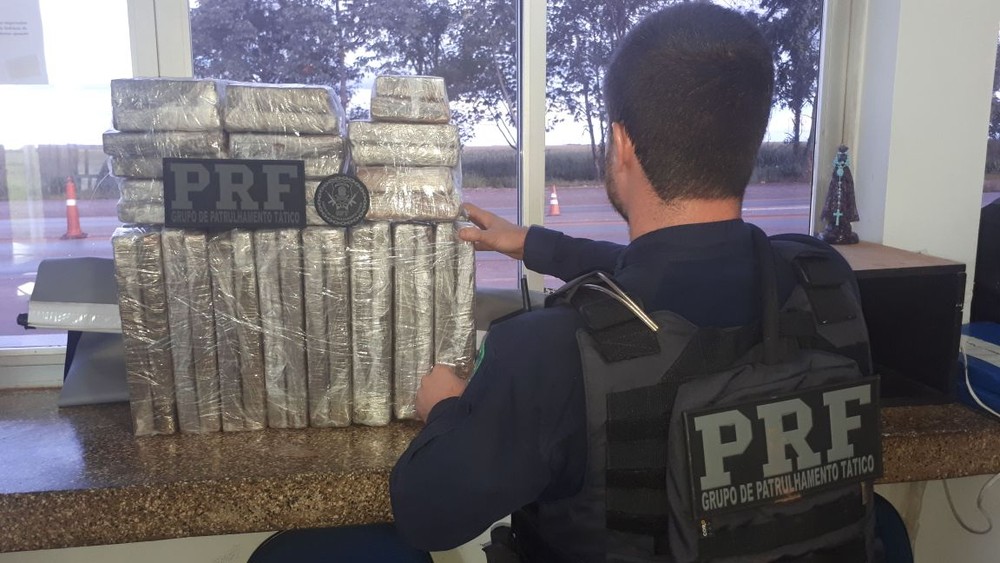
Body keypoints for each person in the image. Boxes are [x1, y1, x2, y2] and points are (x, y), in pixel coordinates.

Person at [391, 4, 871, 561]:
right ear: (752, 136)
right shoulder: (822, 280)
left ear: (621, 145)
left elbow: (425, 515)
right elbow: (683, 270)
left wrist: (446, 409)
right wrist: (535, 245)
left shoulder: (547, 352)